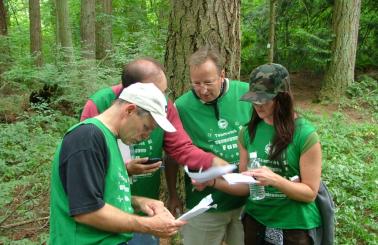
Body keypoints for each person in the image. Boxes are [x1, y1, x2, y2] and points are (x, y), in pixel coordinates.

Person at [80, 57, 228, 245]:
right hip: (104, 214)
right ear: (135, 92)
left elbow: (180, 146)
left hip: (144, 209)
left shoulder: (164, 106)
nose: (163, 98)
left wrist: (211, 162)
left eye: (165, 91)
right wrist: (123, 169)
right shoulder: (98, 107)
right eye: (158, 92)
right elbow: (86, 174)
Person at [194, 63, 322, 245]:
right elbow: (247, 185)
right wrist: (212, 181)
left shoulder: (305, 135)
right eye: (254, 100)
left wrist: (275, 180)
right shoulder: (247, 133)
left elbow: (310, 193)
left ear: (282, 98)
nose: (257, 105)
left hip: (294, 226)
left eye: (263, 100)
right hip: (256, 222)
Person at [49, 83, 186, 244]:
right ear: (129, 110)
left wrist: (138, 202)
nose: (147, 136)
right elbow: (87, 211)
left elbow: (103, 195)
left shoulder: (109, 139)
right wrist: (148, 225)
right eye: (146, 127)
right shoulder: (87, 138)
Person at [168, 47, 252, 245]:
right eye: (196, 83)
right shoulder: (182, 107)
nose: (202, 90)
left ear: (222, 75)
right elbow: (172, 153)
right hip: (205, 203)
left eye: (208, 82)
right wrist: (173, 194)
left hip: (247, 203)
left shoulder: (246, 94)